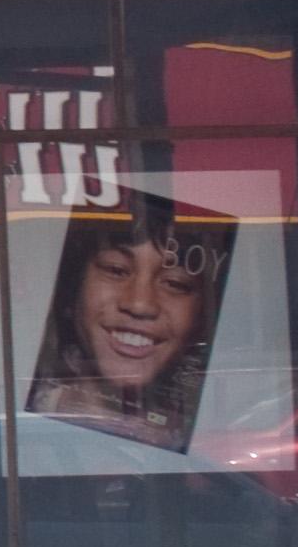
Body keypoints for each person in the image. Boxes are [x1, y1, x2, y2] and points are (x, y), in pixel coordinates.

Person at [26, 193, 235, 454]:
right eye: (116, 270)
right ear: (73, 287)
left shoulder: (211, 447)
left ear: (202, 319)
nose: (140, 304)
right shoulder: (20, 428)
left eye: (175, 283)